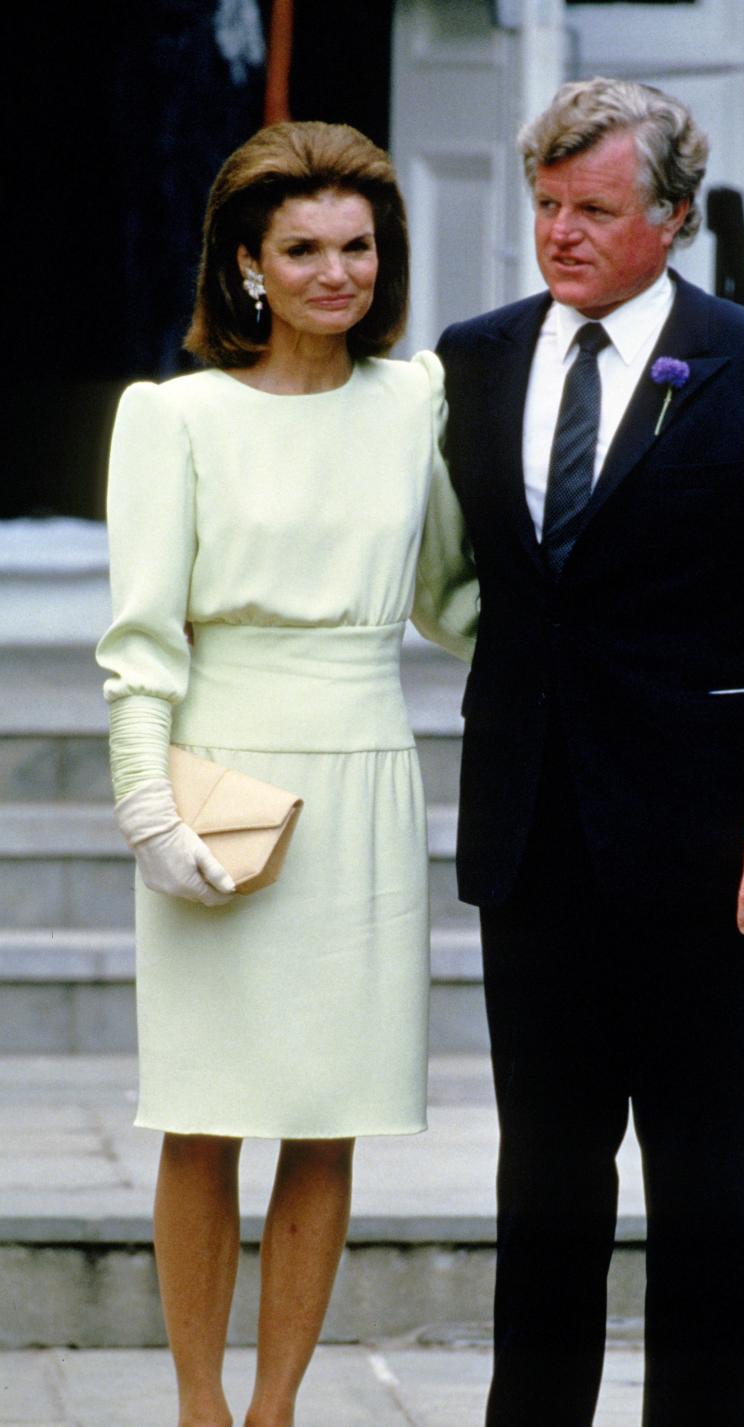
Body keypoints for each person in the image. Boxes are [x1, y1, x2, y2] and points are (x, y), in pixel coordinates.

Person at [436, 77, 744, 1427]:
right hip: (536, 836)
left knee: (706, 1184)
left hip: (718, 851)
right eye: (546, 207)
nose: (561, 234)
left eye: (596, 210)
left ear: (673, 218)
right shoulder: (478, 355)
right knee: (548, 1183)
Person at [96, 120, 476, 1427]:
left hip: (366, 772)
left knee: (329, 1118)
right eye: (304, 248)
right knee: (200, 1114)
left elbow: (453, 602)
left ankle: (276, 1415)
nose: (337, 272)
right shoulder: (173, 416)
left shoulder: (418, 400)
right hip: (222, 783)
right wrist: (146, 803)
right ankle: (200, 1409)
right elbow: (142, 642)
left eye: (358, 245)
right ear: (248, 264)